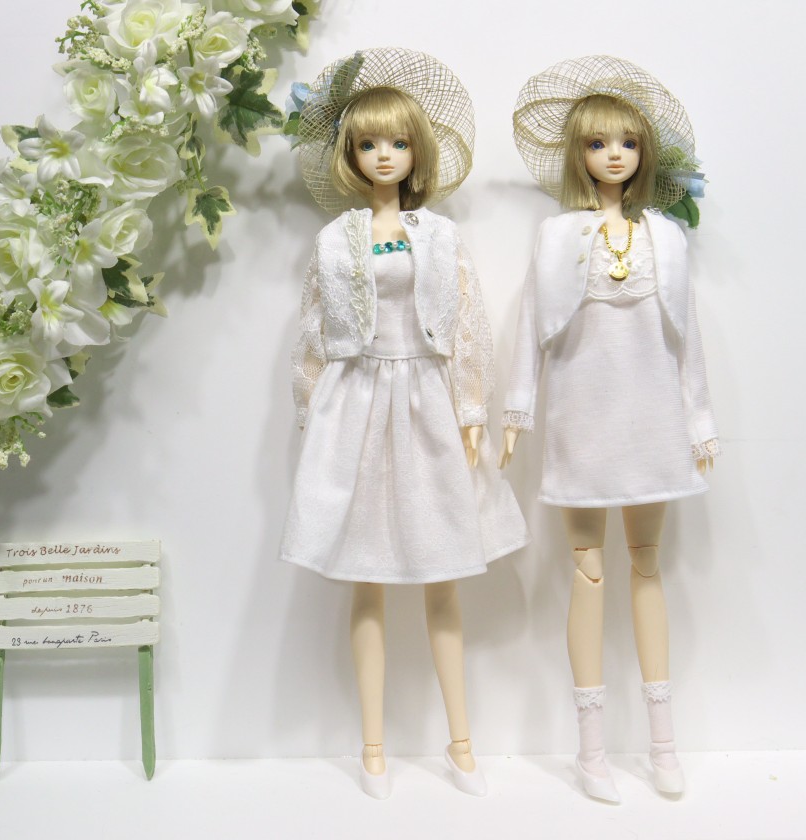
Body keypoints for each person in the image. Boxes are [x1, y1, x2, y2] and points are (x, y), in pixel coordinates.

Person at [280, 48, 529, 799]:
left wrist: (472, 407)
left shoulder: (440, 236)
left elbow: (468, 324)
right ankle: (374, 749)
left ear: (417, 150)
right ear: (350, 155)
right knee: (367, 580)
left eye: (396, 142)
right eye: (368, 143)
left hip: (425, 401)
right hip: (357, 403)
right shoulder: (335, 239)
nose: (383, 155)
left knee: (442, 576)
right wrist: (311, 409)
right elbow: (313, 330)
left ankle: (462, 743)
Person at [500, 55, 718, 802]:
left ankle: (663, 743)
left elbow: (687, 337)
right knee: (588, 569)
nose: (614, 154)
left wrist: (699, 420)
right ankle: (590, 750)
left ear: (645, 152)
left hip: (652, 415)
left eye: (627, 141)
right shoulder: (557, 236)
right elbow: (531, 326)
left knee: (647, 566)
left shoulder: (667, 237)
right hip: (583, 416)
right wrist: (517, 412)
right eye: (598, 143)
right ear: (579, 155)